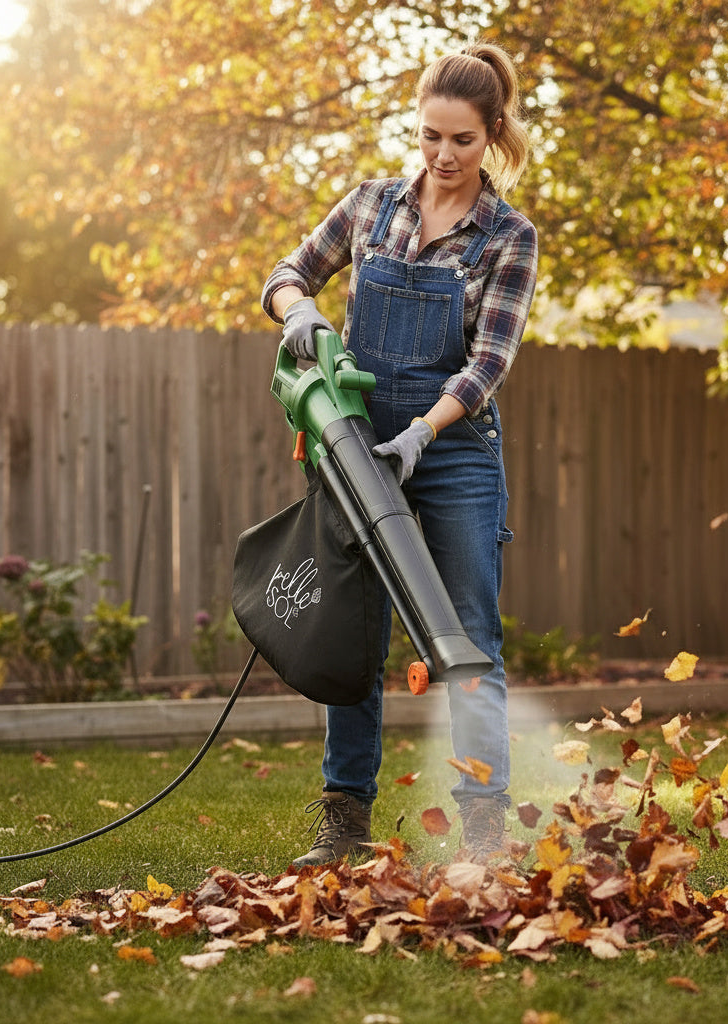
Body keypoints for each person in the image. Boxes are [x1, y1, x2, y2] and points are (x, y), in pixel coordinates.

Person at [261, 41, 538, 866]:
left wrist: (424, 431)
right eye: (429, 137)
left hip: (450, 452)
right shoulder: (371, 205)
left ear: (492, 134)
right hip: (354, 447)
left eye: (461, 140)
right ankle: (344, 823)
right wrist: (299, 314)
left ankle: (483, 829)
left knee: (467, 637)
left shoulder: (508, 237)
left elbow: (487, 362)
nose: (443, 157)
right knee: (353, 634)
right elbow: (287, 271)